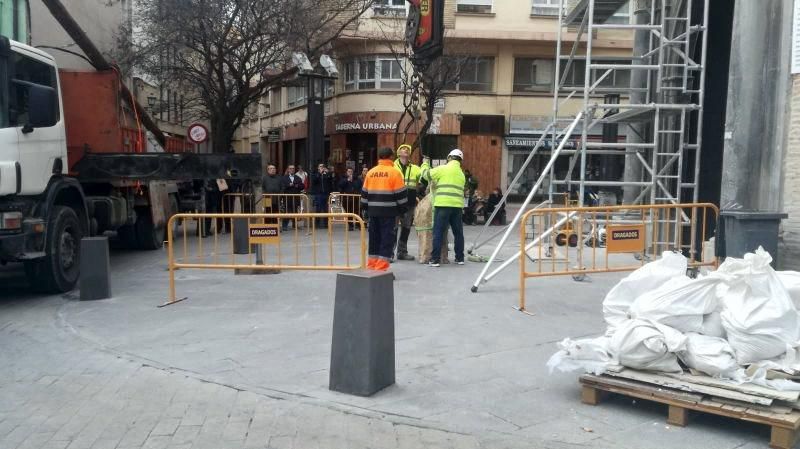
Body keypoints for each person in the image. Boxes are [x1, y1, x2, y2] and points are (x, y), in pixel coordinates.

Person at [361, 147, 408, 271]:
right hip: (388, 213)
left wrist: (365, 210)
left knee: (374, 239)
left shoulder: (371, 172)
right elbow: (401, 196)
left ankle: (371, 266)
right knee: (386, 240)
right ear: (391, 157)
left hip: (373, 212)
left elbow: (364, 194)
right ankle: (380, 269)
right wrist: (403, 210)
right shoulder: (395, 173)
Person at [421, 149, 466, 267]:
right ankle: (460, 258)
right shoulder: (461, 174)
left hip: (443, 205)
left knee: (438, 232)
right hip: (457, 207)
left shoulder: (443, 168)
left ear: (449, 157)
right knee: (458, 233)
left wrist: (425, 163)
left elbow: (426, 175)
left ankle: (435, 260)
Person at [393, 144, 422, 261]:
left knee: (406, 228)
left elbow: (424, 178)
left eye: (407, 150)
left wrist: (425, 164)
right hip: (395, 202)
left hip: (409, 203)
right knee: (393, 228)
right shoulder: (392, 167)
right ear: (398, 153)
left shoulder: (415, 168)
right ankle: (390, 252)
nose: (405, 151)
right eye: (403, 149)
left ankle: (402, 252)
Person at [309, 163, 333, 228]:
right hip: (318, 194)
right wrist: (319, 173)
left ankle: (326, 224)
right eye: (320, 166)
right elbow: (314, 181)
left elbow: (331, 180)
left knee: (326, 209)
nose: (322, 168)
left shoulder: (327, 174)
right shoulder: (316, 174)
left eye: (323, 166)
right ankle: (316, 224)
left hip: (326, 194)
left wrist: (328, 173)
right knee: (318, 209)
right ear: (318, 168)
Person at [281, 165, 305, 230]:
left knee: (295, 211)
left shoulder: (298, 178)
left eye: (293, 169)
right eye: (290, 168)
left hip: (295, 197)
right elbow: (282, 186)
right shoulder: (284, 178)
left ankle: (295, 225)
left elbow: (302, 186)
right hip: (287, 197)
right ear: (288, 169)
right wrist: (289, 185)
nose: (292, 170)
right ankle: (284, 226)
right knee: (287, 212)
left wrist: (297, 186)